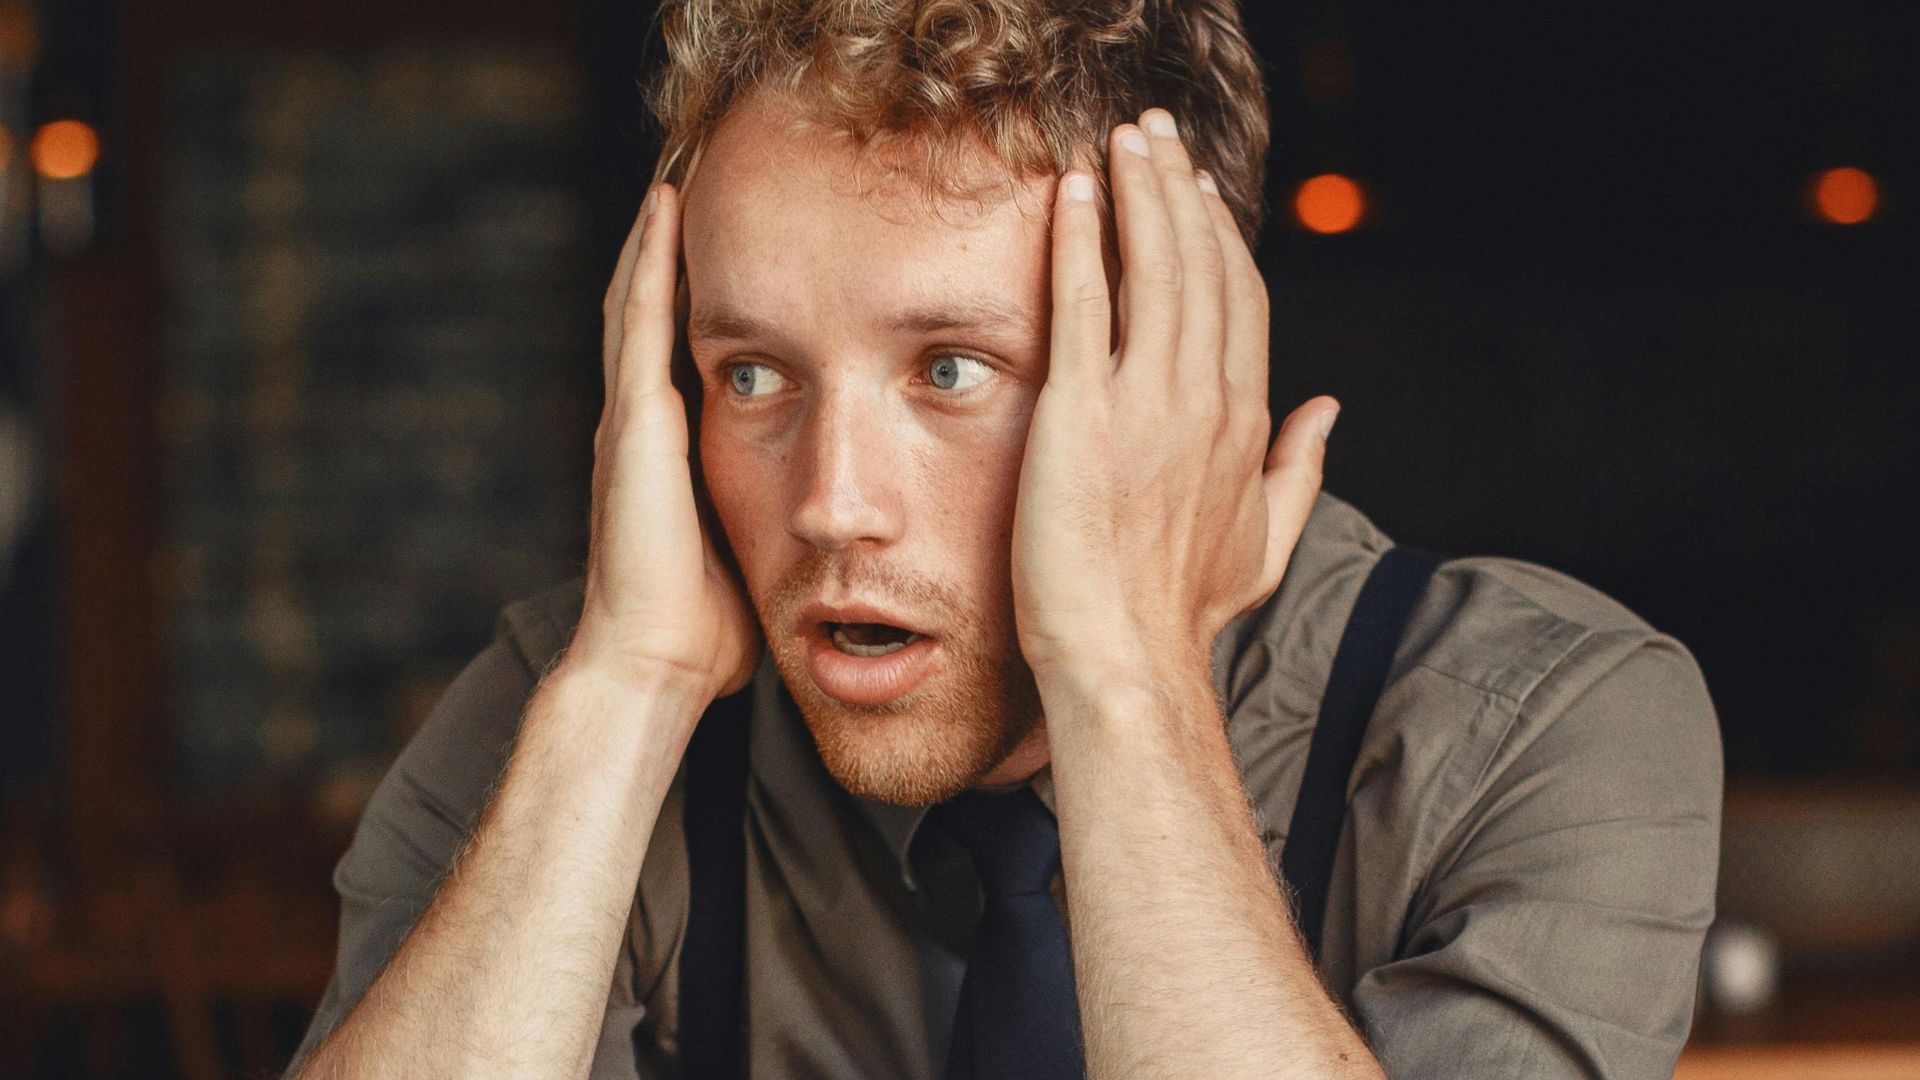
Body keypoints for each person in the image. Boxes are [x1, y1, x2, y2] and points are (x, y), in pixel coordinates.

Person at [287, 1, 1722, 1077]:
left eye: (952, 369)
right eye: (754, 374)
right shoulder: (572, 708)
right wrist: (624, 696)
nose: (830, 502)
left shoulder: (1551, 723)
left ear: (1185, 371)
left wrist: (1123, 673)